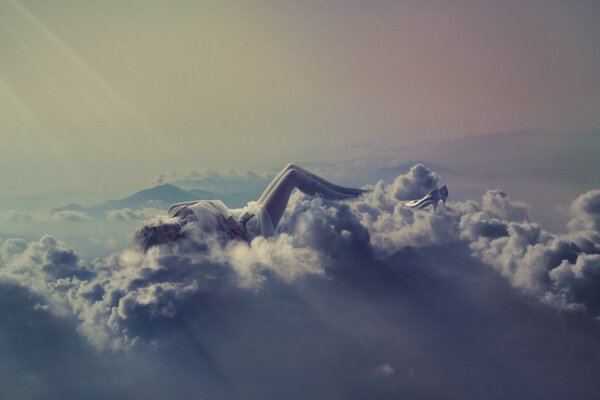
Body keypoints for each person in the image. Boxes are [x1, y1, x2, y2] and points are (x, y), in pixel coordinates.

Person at [133, 164, 367, 250]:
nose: (169, 233)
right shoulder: (191, 236)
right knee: (293, 177)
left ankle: (351, 193)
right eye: (165, 238)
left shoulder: (175, 209)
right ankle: (355, 199)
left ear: (160, 222)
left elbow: (215, 205)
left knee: (291, 167)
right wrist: (233, 227)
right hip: (254, 230)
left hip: (243, 214)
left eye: (163, 230)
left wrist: (230, 218)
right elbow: (222, 247)